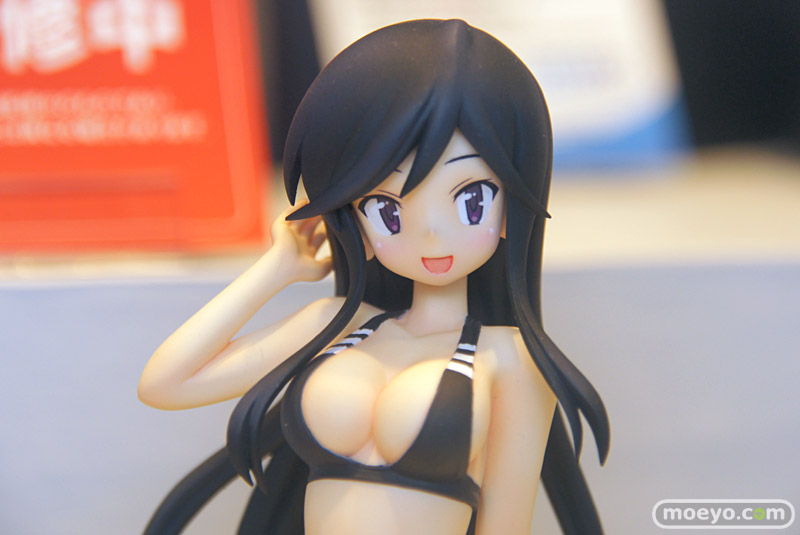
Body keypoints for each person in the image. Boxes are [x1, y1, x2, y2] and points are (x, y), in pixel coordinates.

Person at [138, 19, 609, 535]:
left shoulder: (511, 362)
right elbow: (165, 384)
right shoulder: (337, 325)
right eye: (387, 209)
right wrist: (277, 269)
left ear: (511, 209)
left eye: (471, 199)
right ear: (355, 219)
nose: (430, 233)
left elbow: (507, 526)